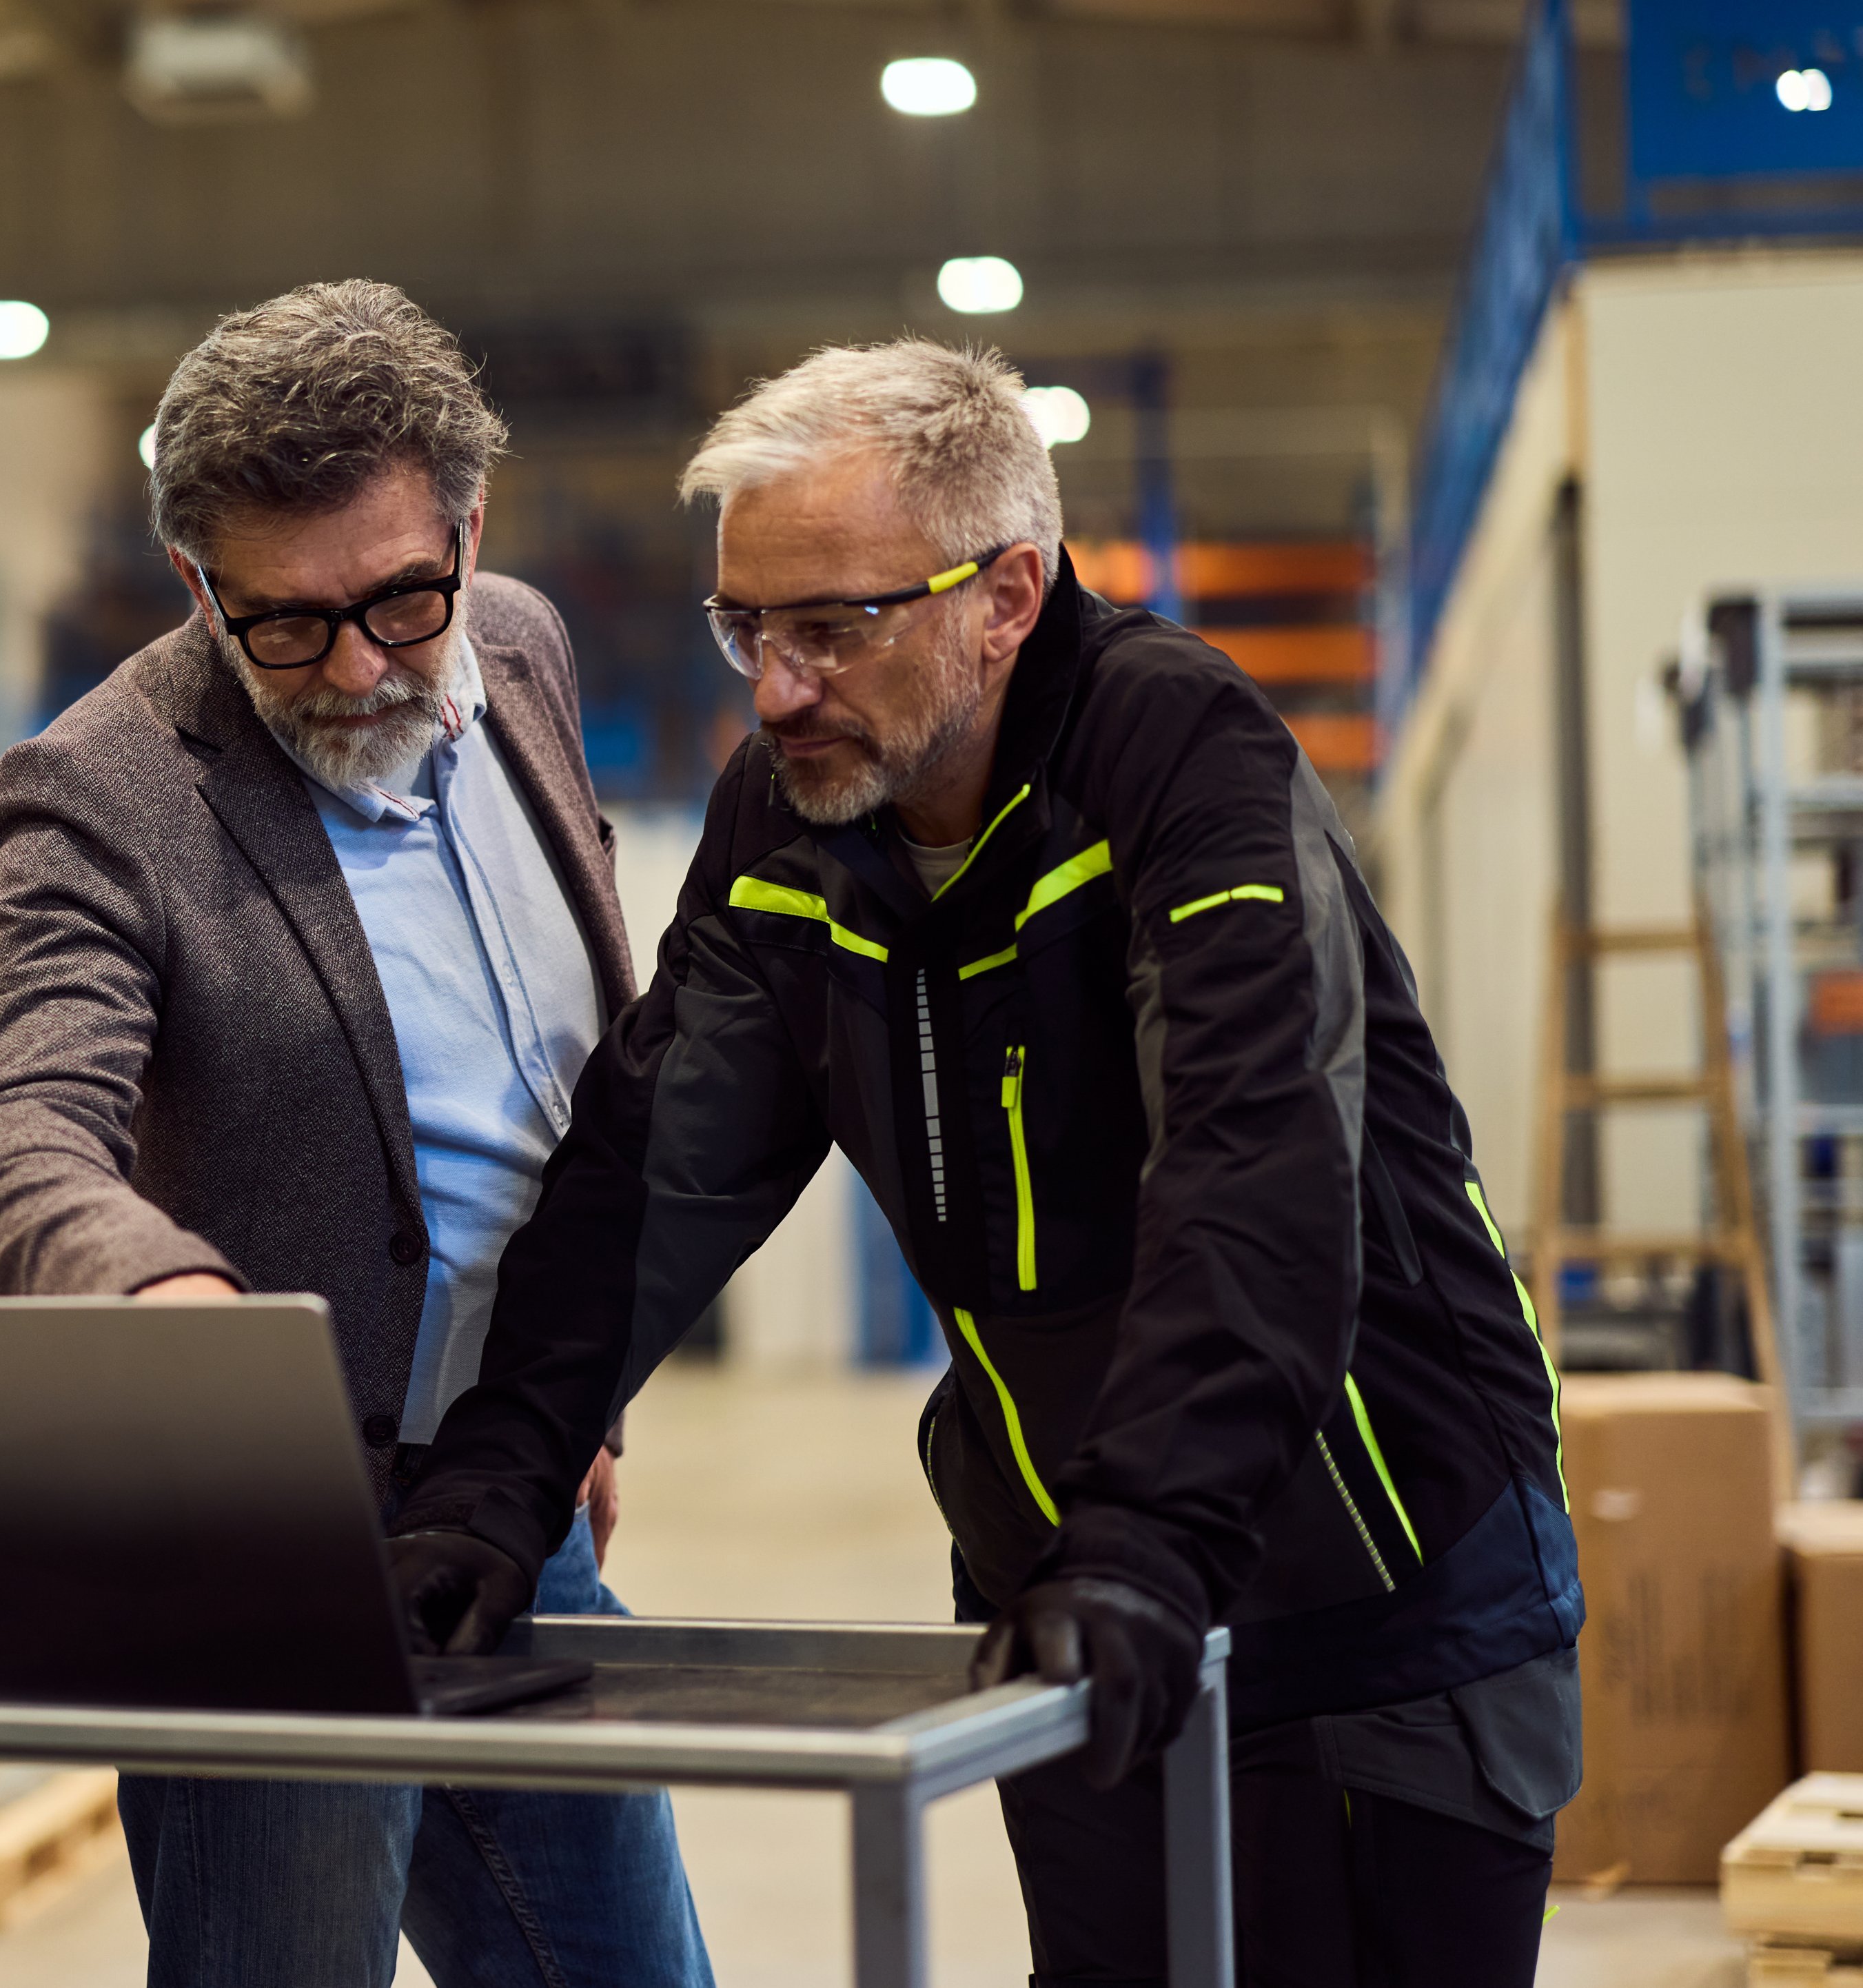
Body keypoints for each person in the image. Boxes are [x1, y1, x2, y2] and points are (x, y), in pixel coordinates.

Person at [383, 340, 1584, 1987]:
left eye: (830, 626)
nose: (775, 686)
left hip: (1378, 1575)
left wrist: (1149, 1538)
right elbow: (654, 1165)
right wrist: (495, 1480)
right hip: (1070, 1584)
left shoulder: (1183, 758)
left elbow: (1255, 1169)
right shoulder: (791, 819)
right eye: (749, 627)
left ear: (1005, 595)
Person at [0, 279, 708, 1988]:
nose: (357, 665)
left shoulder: (517, 644)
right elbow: (13, 1137)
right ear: (200, 582)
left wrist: (562, 1384)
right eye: (285, 622)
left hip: (510, 1504)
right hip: (263, 1549)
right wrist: (167, 1304)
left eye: (397, 601)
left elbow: (541, 1067)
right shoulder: (105, 787)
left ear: (466, 525)